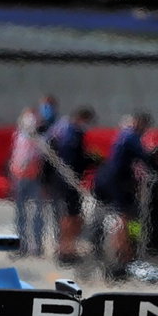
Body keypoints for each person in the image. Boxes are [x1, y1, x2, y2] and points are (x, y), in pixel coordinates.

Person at [93, 111, 154, 275]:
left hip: (113, 182)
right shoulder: (130, 137)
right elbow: (146, 157)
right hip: (120, 183)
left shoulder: (123, 135)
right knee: (123, 218)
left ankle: (124, 254)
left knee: (127, 218)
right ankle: (122, 257)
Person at [41, 106, 95, 263]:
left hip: (61, 180)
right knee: (71, 217)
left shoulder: (61, 130)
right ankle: (66, 250)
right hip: (68, 180)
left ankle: (65, 248)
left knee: (70, 216)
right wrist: (90, 160)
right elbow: (72, 159)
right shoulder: (73, 134)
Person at [7, 108, 47, 257]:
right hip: (20, 178)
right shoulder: (18, 136)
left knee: (37, 213)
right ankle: (21, 244)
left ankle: (37, 245)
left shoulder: (40, 139)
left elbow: (44, 160)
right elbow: (15, 157)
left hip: (35, 179)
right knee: (20, 213)